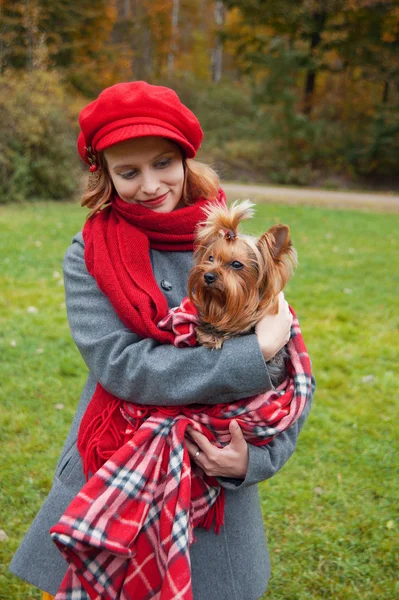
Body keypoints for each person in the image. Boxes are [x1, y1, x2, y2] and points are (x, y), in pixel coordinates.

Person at [9, 81, 314, 600]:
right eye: (128, 172)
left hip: (212, 496)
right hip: (112, 469)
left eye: (163, 163)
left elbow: (291, 383)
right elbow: (126, 367)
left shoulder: (231, 240)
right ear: (103, 175)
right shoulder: (90, 252)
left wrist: (252, 462)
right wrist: (253, 352)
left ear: (186, 159)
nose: (150, 184)